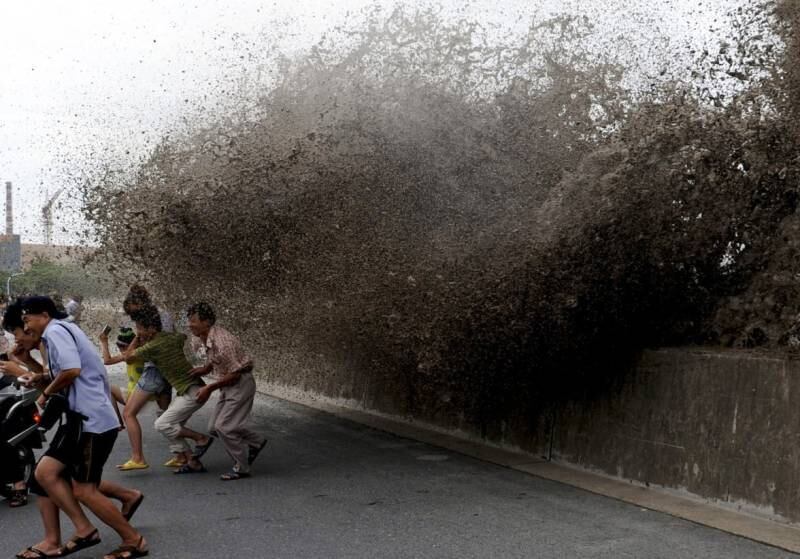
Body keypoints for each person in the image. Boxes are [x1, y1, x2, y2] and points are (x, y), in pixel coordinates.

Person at [15, 296, 148, 559]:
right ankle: (80, 531)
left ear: (42, 314)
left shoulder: (54, 332)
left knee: (84, 489)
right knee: (48, 474)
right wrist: (40, 376)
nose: (26, 327)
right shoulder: (61, 331)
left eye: (27, 319)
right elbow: (67, 372)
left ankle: (133, 540)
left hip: (92, 420)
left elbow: (72, 371)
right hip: (85, 418)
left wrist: (44, 395)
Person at [123, 305, 212, 474]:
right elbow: (182, 336)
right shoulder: (172, 338)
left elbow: (128, 358)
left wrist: (136, 339)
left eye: (140, 329)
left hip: (192, 392)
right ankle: (193, 462)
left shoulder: (152, 347)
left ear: (150, 329)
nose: (138, 332)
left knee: (162, 424)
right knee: (172, 427)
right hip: (193, 388)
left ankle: (201, 438)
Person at [187, 303, 267, 480]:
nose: (189, 325)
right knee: (213, 428)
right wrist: (205, 369)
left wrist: (208, 388)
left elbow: (235, 374)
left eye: (193, 321)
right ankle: (256, 441)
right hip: (227, 384)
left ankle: (242, 467)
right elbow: (213, 359)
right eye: (189, 320)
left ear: (206, 322)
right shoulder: (200, 337)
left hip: (240, 383)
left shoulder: (224, 342)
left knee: (224, 427)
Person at [100, 326, 169, 471]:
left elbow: (128, 358)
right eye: (118, 346)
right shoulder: (129, 352)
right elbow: (107, 361)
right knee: (107, 387)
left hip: (140, 393)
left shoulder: (137, 354)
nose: (120, 349)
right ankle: (117, 423)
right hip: (139, 393)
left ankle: (137, 456)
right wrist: (104, 341)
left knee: (129, 414)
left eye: (122, 346)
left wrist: (135, 340)